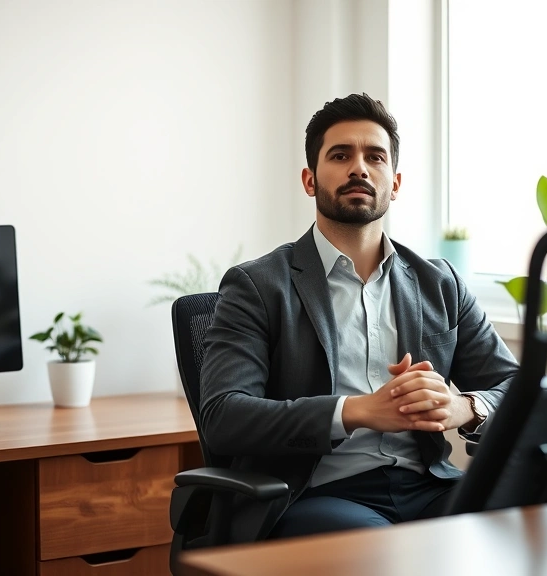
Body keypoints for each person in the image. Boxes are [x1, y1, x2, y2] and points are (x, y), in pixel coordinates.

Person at [199, 93, 520, 540]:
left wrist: (463, 407)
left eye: (375, 156)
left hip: (430, 485)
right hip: (316, 495)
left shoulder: (440, 283)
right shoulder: (257, 286)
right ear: (310, 180)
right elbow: (224, 416)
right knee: (387, 558)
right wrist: (356, 411)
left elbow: (518, 387)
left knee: (530, 523)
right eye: (340, 155)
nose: (359, 168)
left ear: (395, 182)